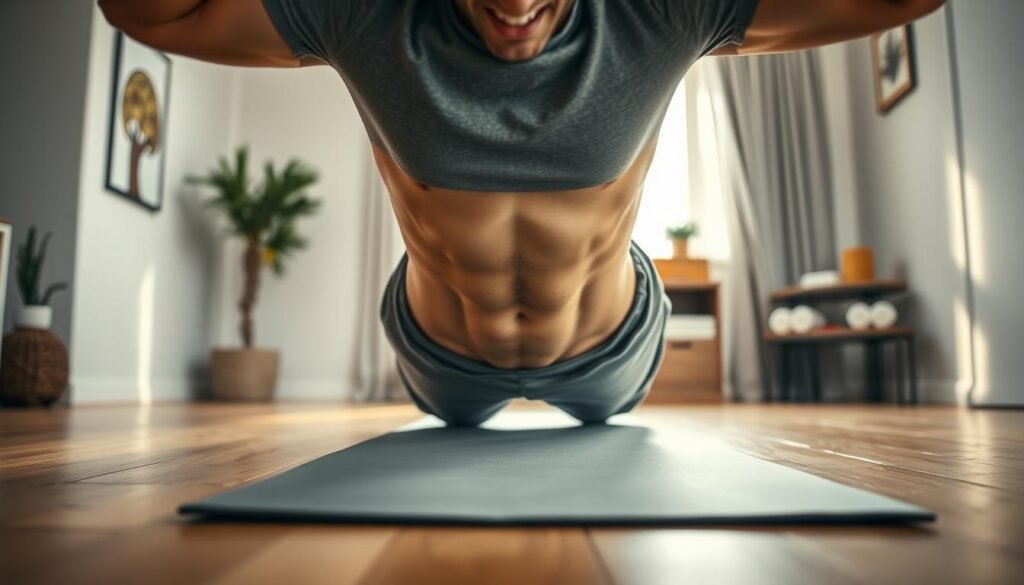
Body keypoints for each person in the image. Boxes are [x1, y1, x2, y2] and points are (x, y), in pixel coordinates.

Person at [100, 0, 946, 426]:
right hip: (441, 360)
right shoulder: (364, 15)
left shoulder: (659, 12)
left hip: (608, 351)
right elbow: (140, 11)